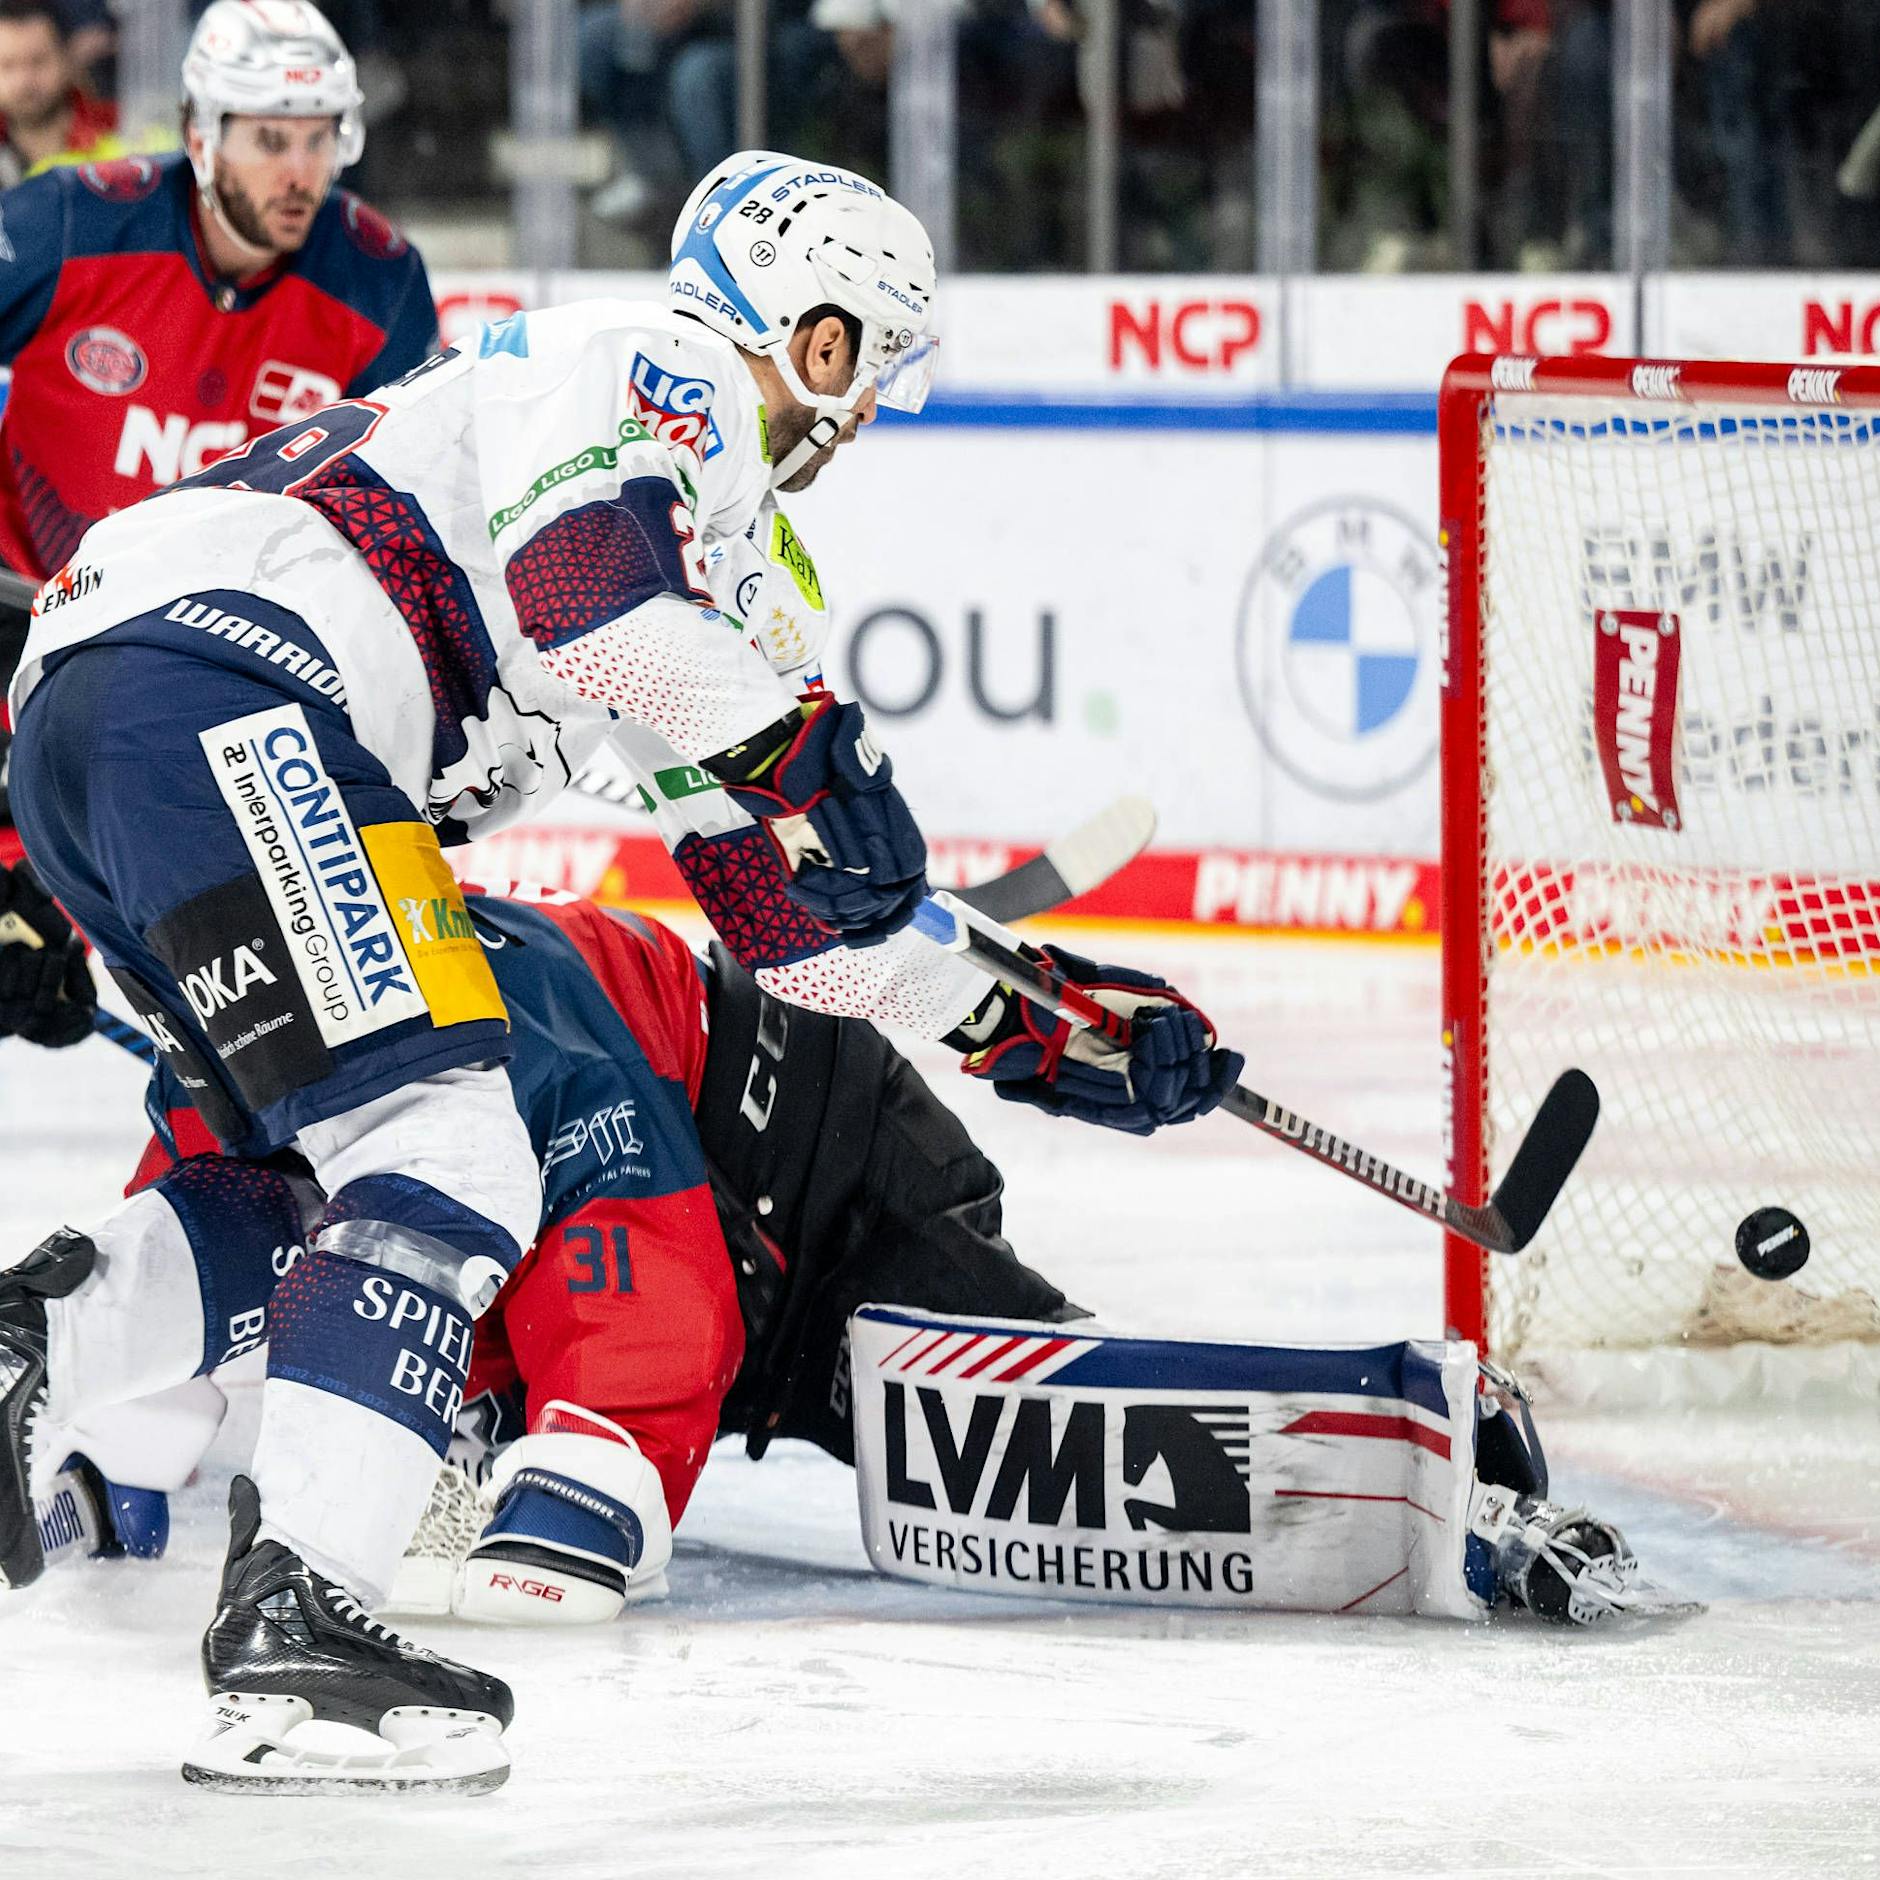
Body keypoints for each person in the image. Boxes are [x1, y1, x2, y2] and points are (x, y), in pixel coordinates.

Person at [0, 145, 1239, 1793]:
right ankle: (300, 1628)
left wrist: (1023, 1022)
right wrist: (815, 744)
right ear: (812, 334)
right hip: (237, 684)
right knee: (451, 1154)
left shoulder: (699, 567)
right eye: (867, 364)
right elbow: (585, 602)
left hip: (124, 708)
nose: (864, 417)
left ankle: (37, 1349)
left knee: (314, 1173)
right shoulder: (648, 368)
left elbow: (783, 926)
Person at [17, 884, 1648, 1646]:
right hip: (672, 1239)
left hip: (817, 1171)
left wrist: (578, 1488)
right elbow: (209, 1316)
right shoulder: (227, 1094)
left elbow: (660, 1299)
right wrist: (104, 1483)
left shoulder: (470, 1003)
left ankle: (1451, 1464)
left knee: (1028, 1447)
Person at [0, 0, 437, 582]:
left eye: (320, 139)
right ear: (200, 137)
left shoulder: (383, 282)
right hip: (26, 610)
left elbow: (407, 512)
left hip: (232, 643)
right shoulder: (68, 222)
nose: (300, 174)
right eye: (271, 142)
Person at [0, 0, 124, 189]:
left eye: (38, 61)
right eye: (7, 65)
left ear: (68, 59)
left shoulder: (118, 130)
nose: (24, 81)